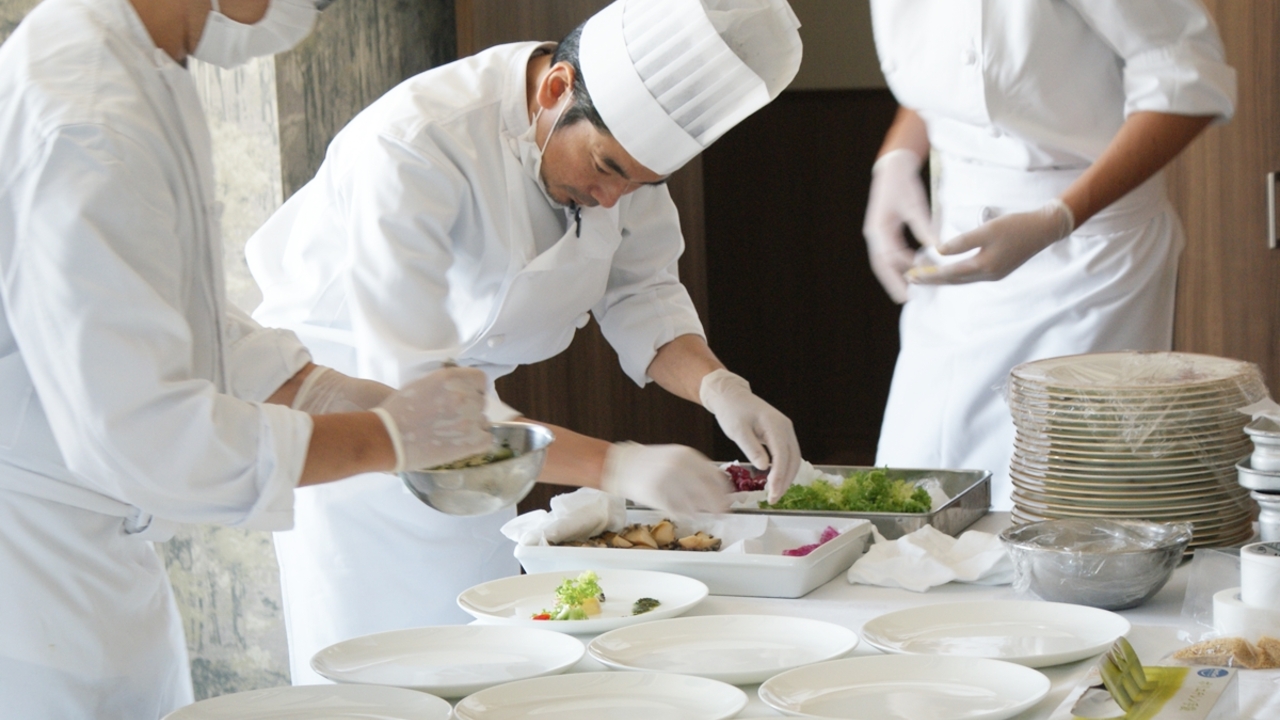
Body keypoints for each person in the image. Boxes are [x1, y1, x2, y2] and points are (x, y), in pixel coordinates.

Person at [245, 0, 804, 684]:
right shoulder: (415, 144)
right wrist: (617, 466)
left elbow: (641, 292)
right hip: (352, 424)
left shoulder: (621, 163)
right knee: (376, 679)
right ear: (554, 90)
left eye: (638, 183)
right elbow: (428, 407)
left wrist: (720, 387)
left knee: (486, 662)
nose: (610, 199)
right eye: (605, 168)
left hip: (489, 435)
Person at [0, 1, 494, 717]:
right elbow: (150, 438)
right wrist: (387, 439)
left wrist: (313, 386)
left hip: (92, 542)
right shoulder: (89, 114)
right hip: (34, 560)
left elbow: (147, 302)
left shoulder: (131, 60)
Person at [862, 0, 1236, 510]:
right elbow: (956, 65)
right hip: (958, 240)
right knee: (912, 489)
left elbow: (1186, 77)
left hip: (1089, 254)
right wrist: (897, 157)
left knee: (1056, 511)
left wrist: (1058, 217)